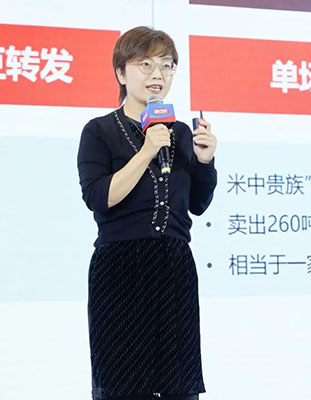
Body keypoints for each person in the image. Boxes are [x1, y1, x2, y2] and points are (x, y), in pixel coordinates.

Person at [77, 26, 217, 400]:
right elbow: (99, 197)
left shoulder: (181, 133)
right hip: (120, 268)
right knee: (122, 384)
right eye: (146, 64)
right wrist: (146, 152)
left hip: (174, 267)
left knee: (178, 385)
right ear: (121, 73)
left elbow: (197, 204)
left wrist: (205, 161)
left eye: (167, 65)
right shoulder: (99, 131)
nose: (158, 74)